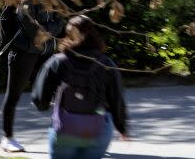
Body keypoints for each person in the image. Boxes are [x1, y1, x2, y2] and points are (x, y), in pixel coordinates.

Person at [32, 15, 128, 159]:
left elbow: (39, 100)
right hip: (96, 132)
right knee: (105, 116)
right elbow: (117, 100)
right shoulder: (106, 64)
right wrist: (122, 128)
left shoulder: (57, 62)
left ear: (67, 35)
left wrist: (47, 104)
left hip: (65, 131)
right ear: (94, 35)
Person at [0, 0, 65, 153]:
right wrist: (50, 28)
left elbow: (60, 22)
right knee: (13, 95)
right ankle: (7, 138)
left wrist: (48, 29)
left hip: (46, 50)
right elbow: (33, 30)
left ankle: (66, 134)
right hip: (24, 51)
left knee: (61, 89)